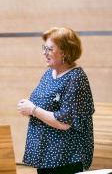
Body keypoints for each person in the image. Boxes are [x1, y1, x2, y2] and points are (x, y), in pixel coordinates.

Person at [17, 27, 94, 174]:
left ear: (65, 52)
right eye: (44, 48)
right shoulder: (48, 74)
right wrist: (28, 108)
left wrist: (33, 110)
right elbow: (43, 106)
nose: (44, 53)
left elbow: (64, 123)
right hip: (45, 156)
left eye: (49, 49)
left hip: (66, 158)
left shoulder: (76, 78)